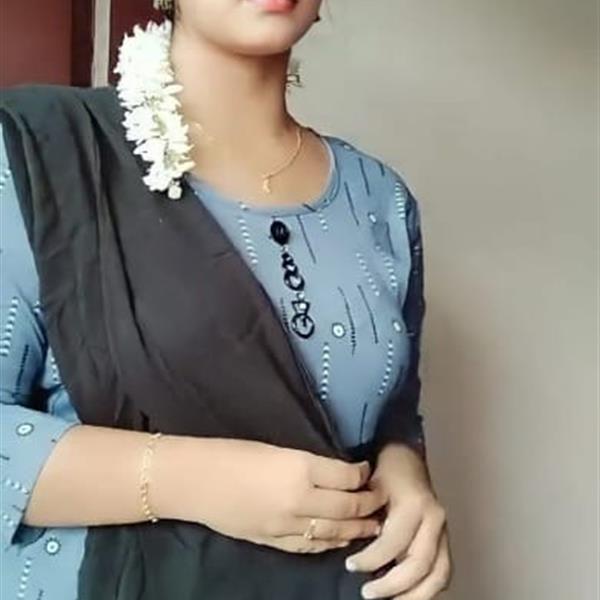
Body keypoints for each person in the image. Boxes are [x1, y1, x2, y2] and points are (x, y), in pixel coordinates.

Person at [0, 0, 452, 598]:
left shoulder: (379, 198)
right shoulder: (41, 152)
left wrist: (405, 469)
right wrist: (192, 480)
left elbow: (394, 411)